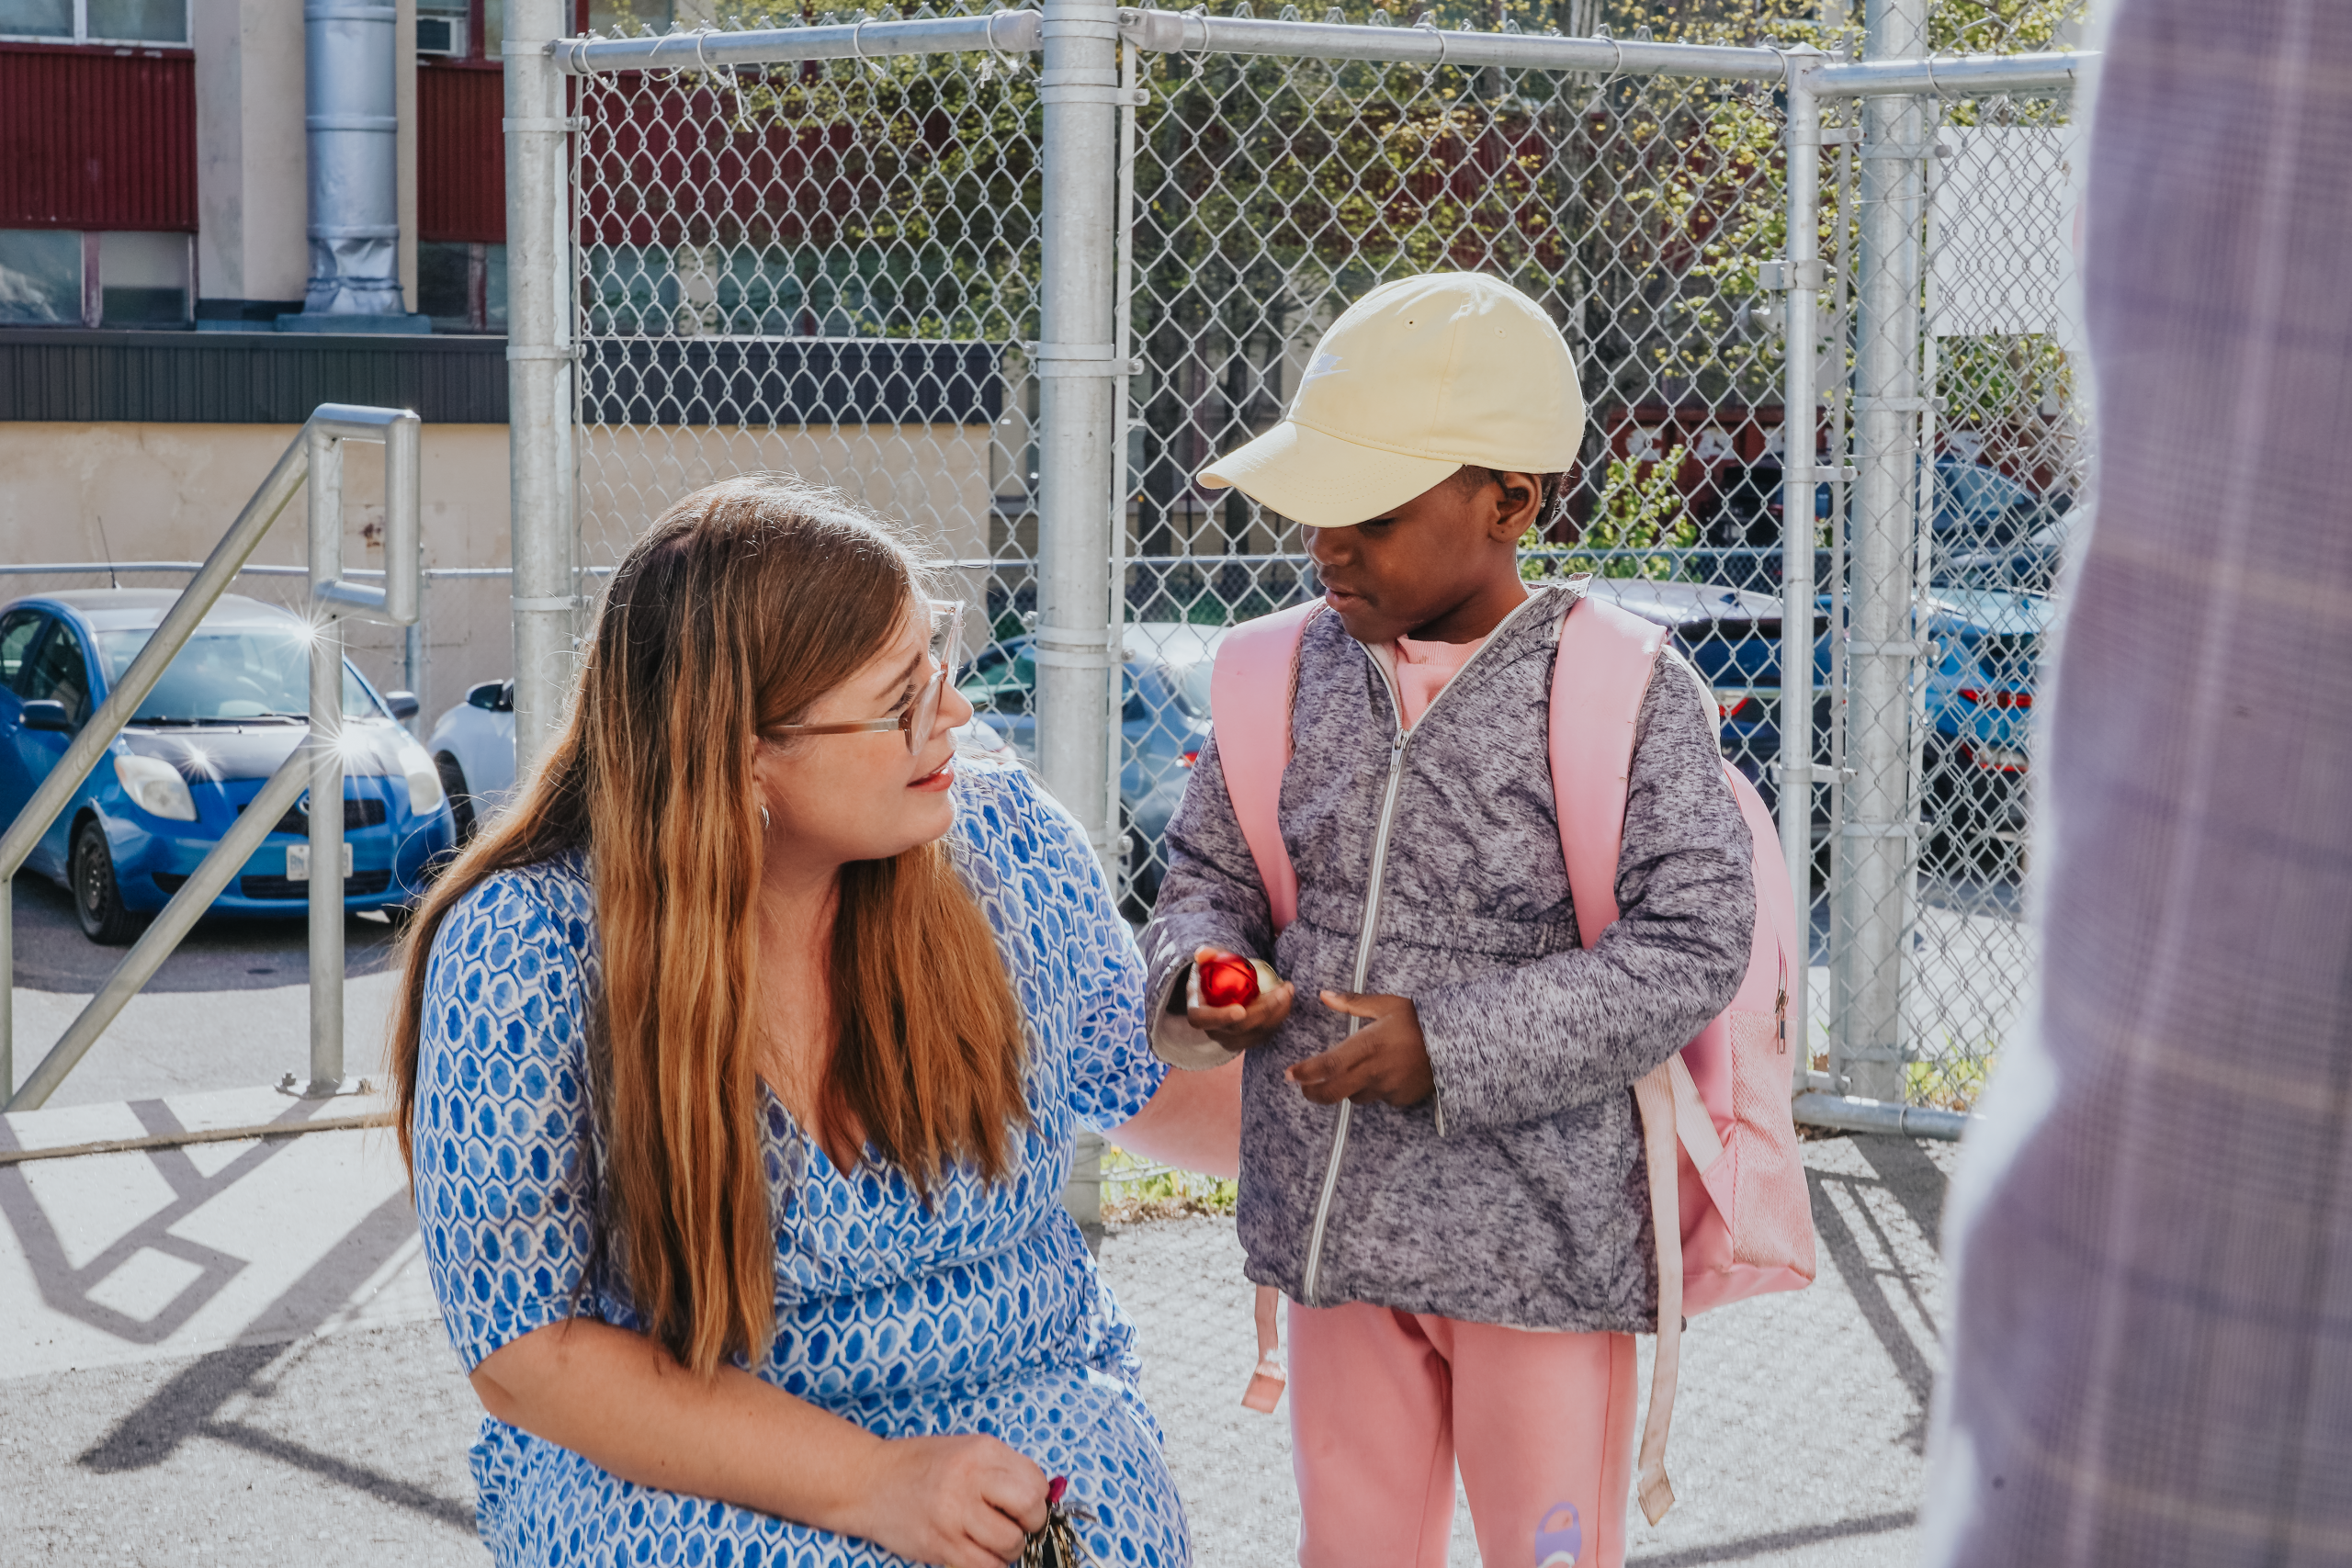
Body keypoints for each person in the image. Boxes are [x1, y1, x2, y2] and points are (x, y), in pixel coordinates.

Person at [390, 476, 1238, 1568]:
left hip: (1021, 1407)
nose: (957, 715)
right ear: (743, 755)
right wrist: (874, 1485)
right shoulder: (525, 949)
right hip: (689, 1453)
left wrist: (1334, 1080)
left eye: (935, 666)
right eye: (900, 702)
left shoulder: (1003, 846)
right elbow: (525, 1346)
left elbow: (1147, 1082)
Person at [1137, 272, 1757, 1568]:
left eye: (1369, 513)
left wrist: (1452, 1044)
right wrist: (1204, 966)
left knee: (1546, 1549)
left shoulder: (1624, 686)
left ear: (1510, 501)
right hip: (1332, 1226)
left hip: (1540, 1248)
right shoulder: (1275, 671)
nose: (1327, 547)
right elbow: (1207, 873)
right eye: (1314, 511)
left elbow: (1690, 938)